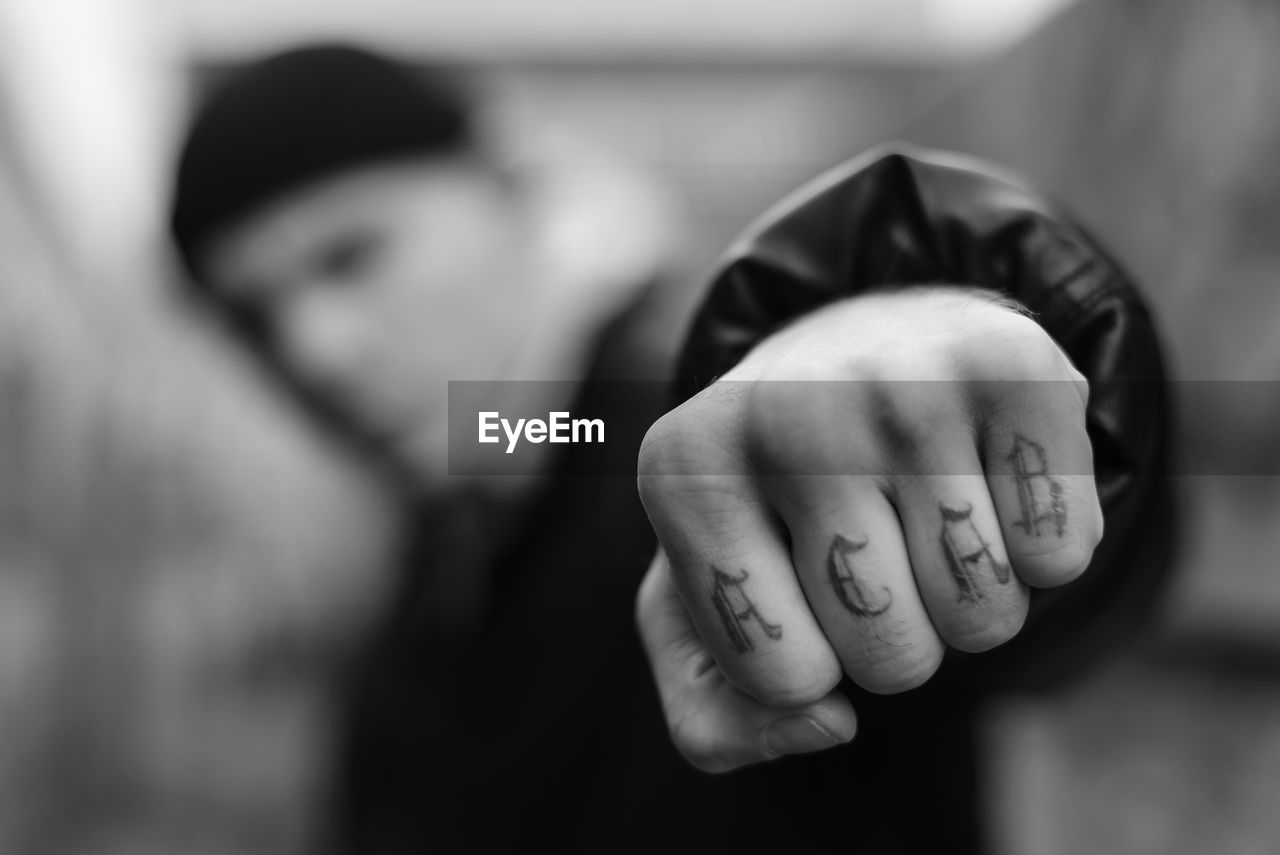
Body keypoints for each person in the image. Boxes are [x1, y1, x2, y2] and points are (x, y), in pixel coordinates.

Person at [169, 45, 1172, 853]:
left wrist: (966, 319)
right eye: (254, 319)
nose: (314, 350)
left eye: (351, 255)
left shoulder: (683, 430)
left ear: (512, 181)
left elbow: (1072, 541)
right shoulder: (440, 568)